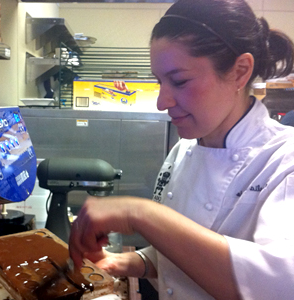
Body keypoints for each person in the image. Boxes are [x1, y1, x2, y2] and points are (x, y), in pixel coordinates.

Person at [68, 0, 294, 299]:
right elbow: (185, 254)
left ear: (240, 72)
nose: (162, 102)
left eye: (179, 81)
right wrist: (133, 262)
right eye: (160, 81)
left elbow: (281, 285)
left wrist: (140, 214)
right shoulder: (183, 150)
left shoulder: (283, 160)